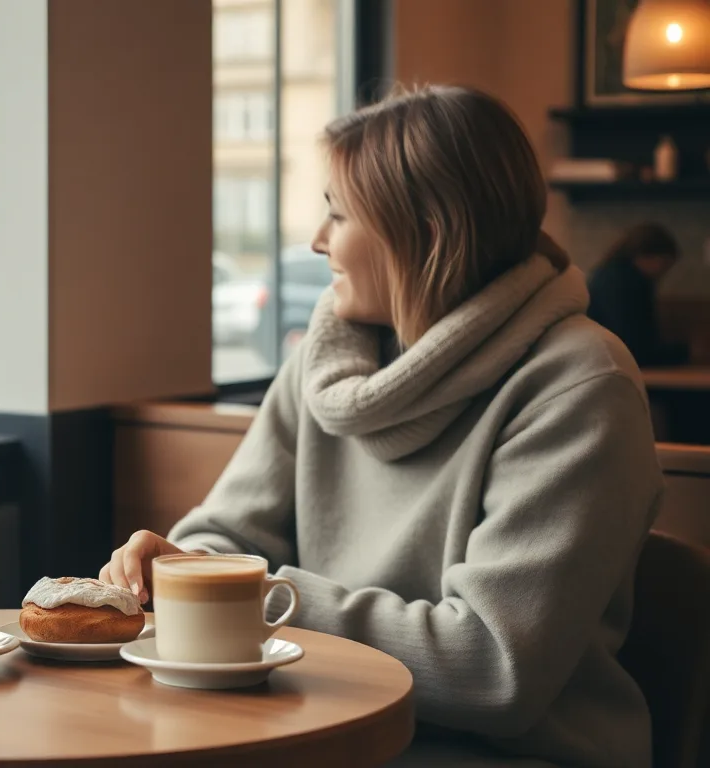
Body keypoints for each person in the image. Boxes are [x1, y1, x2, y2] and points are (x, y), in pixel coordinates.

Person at [101, 86, 662, 767]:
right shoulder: (324, 366)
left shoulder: (580, 385)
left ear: (425, 232)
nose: (317, 240)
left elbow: (492, 669)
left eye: (338, 214)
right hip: (317, 722)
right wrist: (175, 566)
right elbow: (223, 537)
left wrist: (254, 596)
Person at [586, 222, 688, 367]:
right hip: (613, 363)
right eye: (664, 264)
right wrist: (681, 352)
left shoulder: (615, 275)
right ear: (646, 256)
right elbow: (633, 344)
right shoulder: (623, 282)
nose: (663, 272)